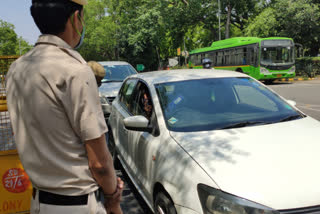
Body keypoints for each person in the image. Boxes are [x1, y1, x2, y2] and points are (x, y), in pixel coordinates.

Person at [5, 0, 123, 213]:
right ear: (75, 18)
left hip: (39, 202)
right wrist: (113, 197)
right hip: (77, 205)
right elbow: (100, 164)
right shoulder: (75, 70)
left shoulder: (16, 69)